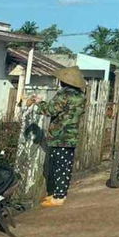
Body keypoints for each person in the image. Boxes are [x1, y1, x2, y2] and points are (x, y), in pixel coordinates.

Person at [26, 67, 86, 207]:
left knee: (58, 166)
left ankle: (58, 197)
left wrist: (39, 102)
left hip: (60, 135)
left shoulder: (63, 94)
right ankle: (58, 194)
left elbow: (50, 110)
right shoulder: (81, 96)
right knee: (65, 166)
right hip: (71, 135)